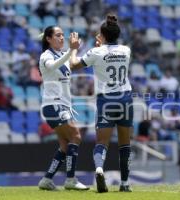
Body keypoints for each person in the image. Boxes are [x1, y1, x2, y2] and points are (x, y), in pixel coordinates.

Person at [70, 14, 133, 192]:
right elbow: (108, 55)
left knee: (101, 143)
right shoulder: (126, 50)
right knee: (125, 144)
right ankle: (125, 184)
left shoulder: (95, 52)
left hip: (106, 100)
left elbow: (74, 65)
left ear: (102, 35)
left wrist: (74, 49)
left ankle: (99, 169)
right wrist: (102, 45)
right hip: (125, 99)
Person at [37, 26, 88, 191]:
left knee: (65, 146)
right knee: (76, 135)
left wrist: (98, 50)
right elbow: (51, 67)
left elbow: (73, 62)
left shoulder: (61, 55)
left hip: (63, 105)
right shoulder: (46, 56)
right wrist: (70, 51)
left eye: (62, 35)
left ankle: (46, 180)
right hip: (54, 104)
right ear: (48, 39)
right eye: (58, 35)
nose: (61, 38)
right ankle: (71, 179)